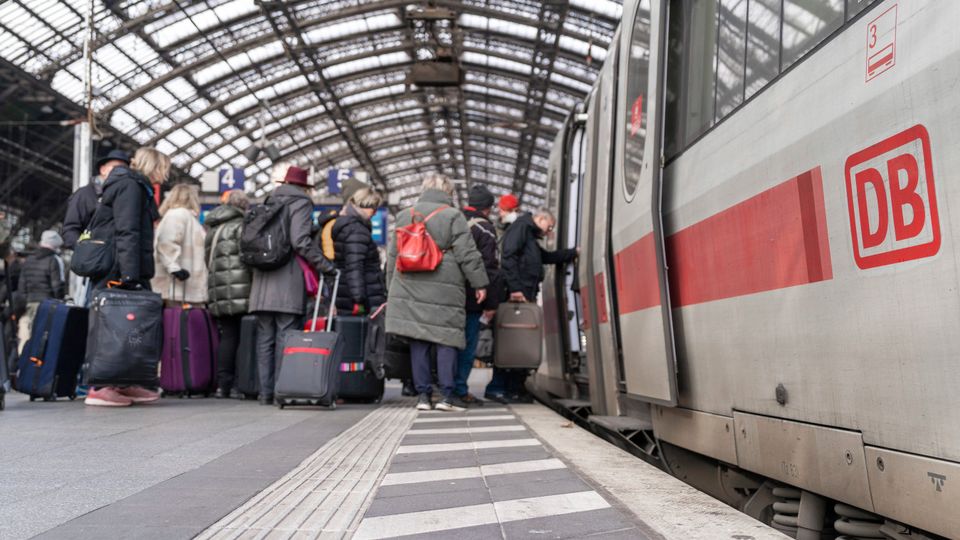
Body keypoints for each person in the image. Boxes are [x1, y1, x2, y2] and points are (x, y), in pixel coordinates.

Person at [385, 173, 489, 412]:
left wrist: (391, 288)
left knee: (418, 341)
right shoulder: (453, 216)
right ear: (448, 193)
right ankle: (446, 396)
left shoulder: (404, 215)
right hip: (445, 287)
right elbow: (467, 254)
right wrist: (480, 284)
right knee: (446, 340)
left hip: (408, 284)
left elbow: (393, 256)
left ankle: (423, 396)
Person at [84, 147, 168, 407]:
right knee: (113, 325)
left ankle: (123, 381)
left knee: (128, 326)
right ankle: (100, 386)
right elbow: (127, 230)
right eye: (163, 169)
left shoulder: (135, 185)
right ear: (153, 166)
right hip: (119, 266)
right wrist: (130, 274)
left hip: (128, 265)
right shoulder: (131, 186)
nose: (165, 176)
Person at [248, 165, 337, 405]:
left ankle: (264, 393)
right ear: (303, 186)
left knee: (265, 338)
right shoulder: (301, 203)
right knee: (285, 336)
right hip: (287, 280)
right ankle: (281, 391)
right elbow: (300, 241)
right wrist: (326, 266)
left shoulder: (265, 202)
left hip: (261, 281)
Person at [485, 206, 578, 404]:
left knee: (520, 342)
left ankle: (514, 387)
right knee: (511, 342)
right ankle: (498, 387)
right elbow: (508, 257)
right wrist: (515, 289)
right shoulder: (521, 228)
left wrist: (571, 253)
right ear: (541, 219)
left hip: (524, 293)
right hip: (517, 295)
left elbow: (545, 257)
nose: (549, 231)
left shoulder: (528, 234)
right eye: (549, 226)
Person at [454, 185, 501, 406]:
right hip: (473, 297)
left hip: (448, 294)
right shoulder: (485, 229)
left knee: (447, 344)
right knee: (467, 344)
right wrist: (491, 303)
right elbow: (490, 268)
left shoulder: (454, 221)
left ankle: (445, 386)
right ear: (488, 208)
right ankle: (460, 389)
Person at [204, 190, 252, 398]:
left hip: (218, 289)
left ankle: (223, 385)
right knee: (242, 337)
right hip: (240, 289)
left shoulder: (213, 229)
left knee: (227, 337)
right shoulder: (241, 227)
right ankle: (239, 384)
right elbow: (247, 258)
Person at [331, 187, 386, 315]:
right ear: (365, 206)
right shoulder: (357, 230)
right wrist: (359, 300)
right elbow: (355, 266)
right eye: (374, 208)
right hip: (361, 297)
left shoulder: (348, 226)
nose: (375, 213)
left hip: (346, 293)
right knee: (360, 332)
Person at [152, 184, 208, 306]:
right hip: (178, 287)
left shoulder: (183, 216)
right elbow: (166, 242)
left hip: (183, 288)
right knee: (180, 323)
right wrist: (174, 268)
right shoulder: (178, 214)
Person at [62, 150, 130, 249]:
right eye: (116, 168)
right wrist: (85, 251)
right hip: (93, 260)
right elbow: (70, 230)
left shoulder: (123, 197)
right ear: (103, 170)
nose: (121, 173)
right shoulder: (84, 194)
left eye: (125, 170)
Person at [16, 230, 66, 354]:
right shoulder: (54, 260)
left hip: (29, 304)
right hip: (47, 305)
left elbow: (21, 286)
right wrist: (60, 302)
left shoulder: (29, 260)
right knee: (43, 338)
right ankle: (37, 368)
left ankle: (22, 366)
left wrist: (23, 305)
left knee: (25, 338)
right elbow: (58, 286)